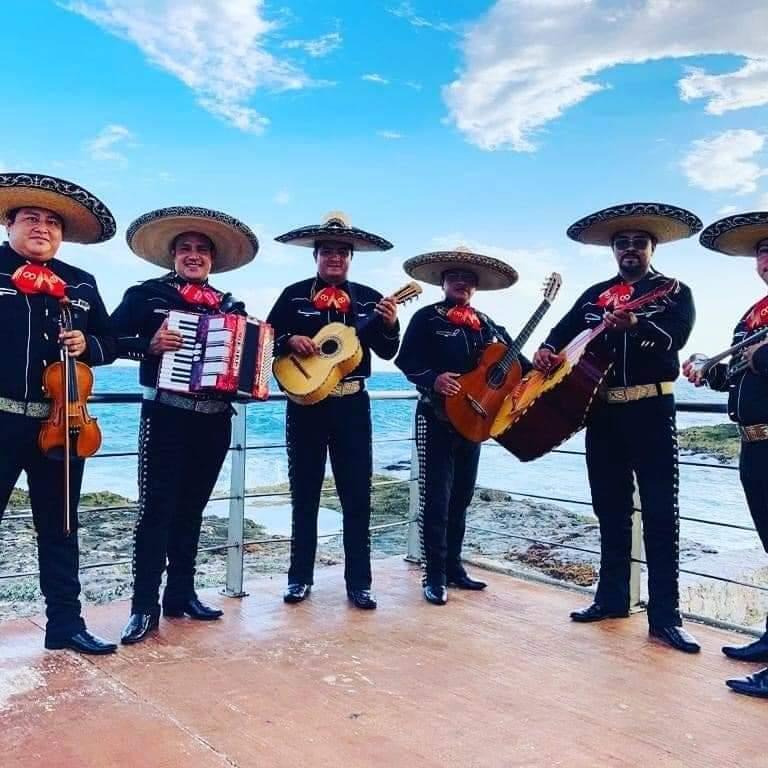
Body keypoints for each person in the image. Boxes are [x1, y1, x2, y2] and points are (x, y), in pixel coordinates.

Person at [533, 202, 702, 653]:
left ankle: (665, 617)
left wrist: (635, 325)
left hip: (651, 410)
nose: (630, 250)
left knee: (661, 515)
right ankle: (611, 600)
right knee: (609, 508)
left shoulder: (673, 291)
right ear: (613, 250)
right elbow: (562, 332)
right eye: (622, 244)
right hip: (601, 413)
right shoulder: (593, 295)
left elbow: (675, 339)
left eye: (638, 243)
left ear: (651, 248)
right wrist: (546, 351)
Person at [110, 207, 258, 644]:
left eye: (202, 251)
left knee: (192, 510)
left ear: (212, 260)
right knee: (156, 512)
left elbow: (246, 359)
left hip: (214, 421)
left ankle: (181, 595)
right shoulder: (146, 296)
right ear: (172, 256)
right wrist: (147, 346)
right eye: (186, 249)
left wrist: (251, 375)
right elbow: (109, 339)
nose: (194, 256)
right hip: (166, 415)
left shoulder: (233, 306)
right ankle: (142, 607)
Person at [0, 172, 118, 654]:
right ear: (9, 223)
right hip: (1, 418)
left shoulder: (82, 283)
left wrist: (88, 344)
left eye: (52, 221)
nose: (42, 227)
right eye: (31, 217)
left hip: (63, 422)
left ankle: (65, 625)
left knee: (62, 526)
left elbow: (114, 343)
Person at [267, 212, 399, 610]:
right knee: (304, 493)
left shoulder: (371, 298)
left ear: (351, 257)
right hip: (305, 405)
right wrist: (291, 340)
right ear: (316, 256)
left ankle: (359, 583)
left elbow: (389, 351)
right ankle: (298, 578)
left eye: (342, 252)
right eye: (327, 252)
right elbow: (266, 339)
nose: (335, 258)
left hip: (353, 404)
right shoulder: (293, 295)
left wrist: (390, 325)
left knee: (357, 496)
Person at [395, 246, 525, 604]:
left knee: (462, 496)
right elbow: (406, 361)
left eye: (468, 279)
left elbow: (520, 365)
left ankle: (453, 567)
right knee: (435, 498)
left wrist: (551, 363)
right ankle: (433, 575)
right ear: (443, 281)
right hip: (435, 417)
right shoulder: (426, 318)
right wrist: (433, 379)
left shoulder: (489, 325)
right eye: (454, 276)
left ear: (476, 286)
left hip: (474, 423)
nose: (461, 283)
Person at [685, 211, 768, 695]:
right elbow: (734, 371)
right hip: (753, 444)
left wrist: (760, 358)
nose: (766, 259)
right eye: (761, 251)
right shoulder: (755, 314)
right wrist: (706, 369)